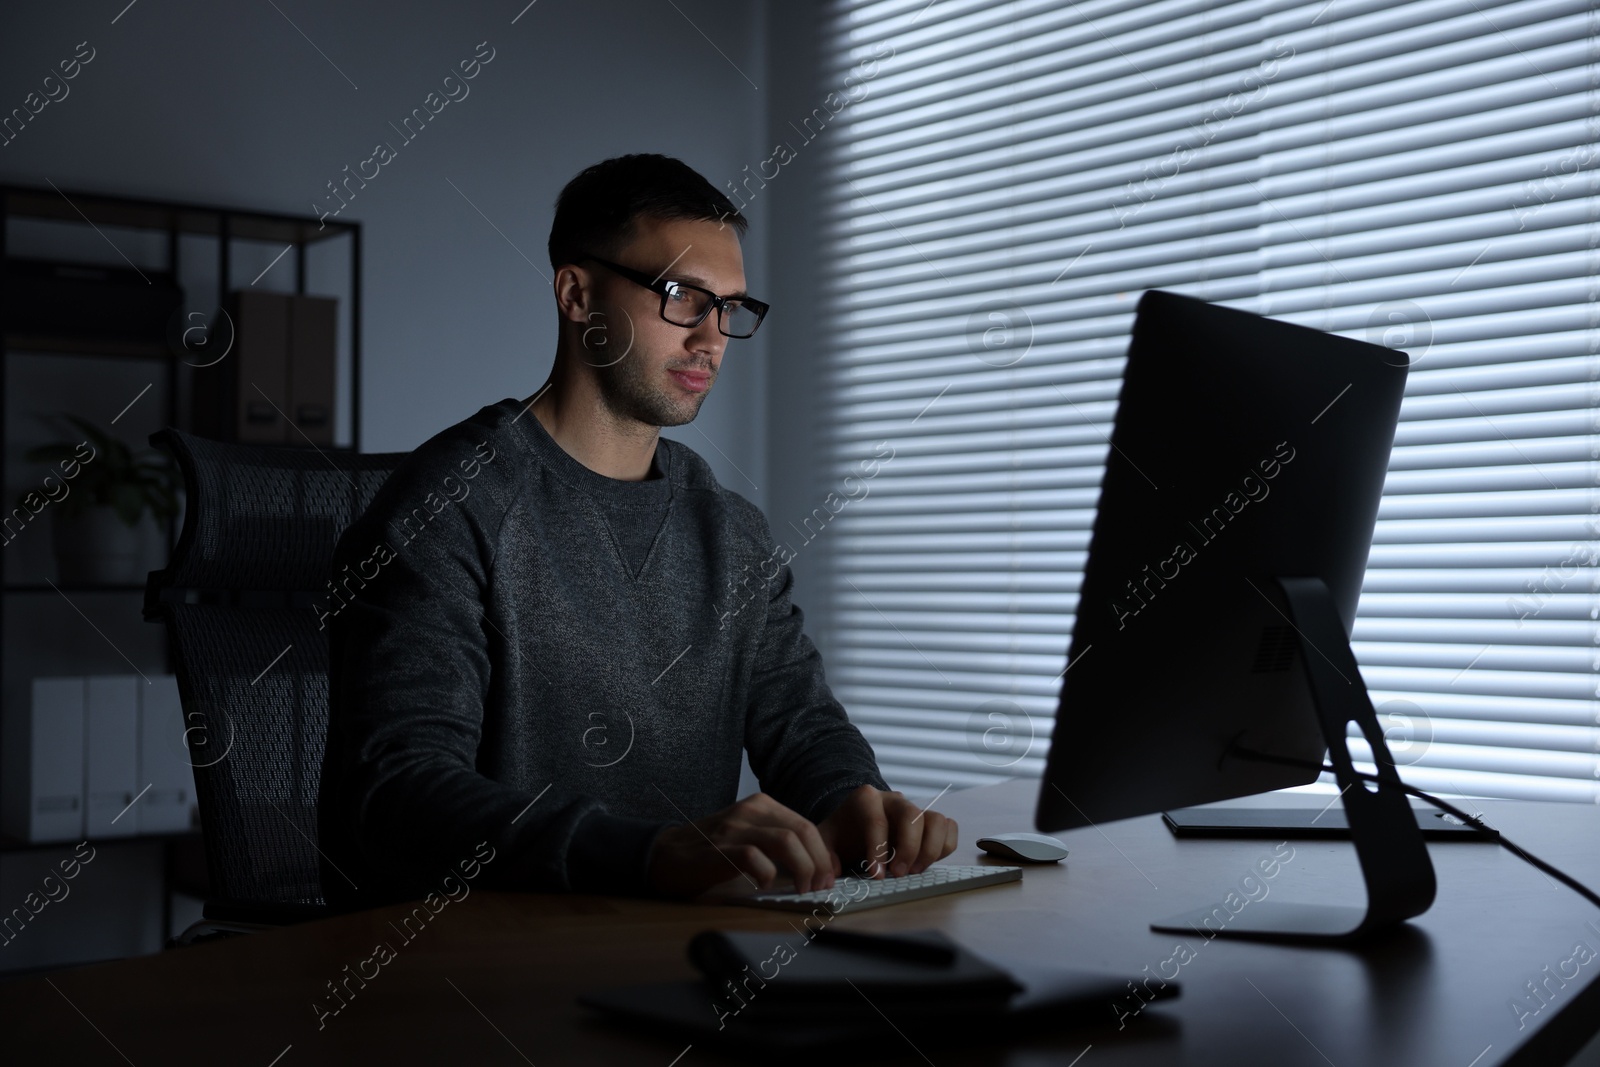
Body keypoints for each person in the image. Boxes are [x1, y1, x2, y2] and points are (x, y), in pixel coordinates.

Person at [317, 153, 958, 910]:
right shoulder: (449, 508)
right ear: (577, 294)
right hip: (476, 974)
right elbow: (399, 796)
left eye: (731, 308)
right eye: (683, 296)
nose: (712, 337)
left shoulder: (730, 530)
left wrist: (854, 796)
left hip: (676, 963)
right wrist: (646, 853)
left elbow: (804, 724)